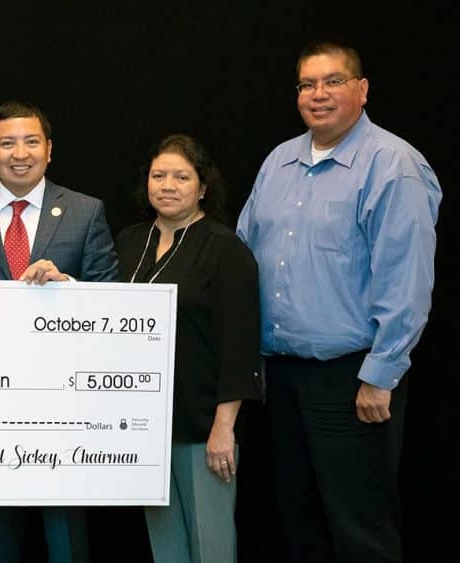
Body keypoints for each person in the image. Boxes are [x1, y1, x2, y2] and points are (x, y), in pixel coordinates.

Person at [236, 39, 441, 563]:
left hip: (352, 379)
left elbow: (407, 278)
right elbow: (241, 254)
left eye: (333, 82)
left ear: (362, 89)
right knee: (297, 519)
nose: (318, 95)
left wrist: (381, 373)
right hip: (280, 377)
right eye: (307, 84)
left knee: (359, 529)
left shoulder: (392, 165)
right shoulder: (279, 161)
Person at [0, 100, 118, 563]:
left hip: (65, 404)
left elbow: (113, 303)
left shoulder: (85, 211)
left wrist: (68, 286)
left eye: (32, 141)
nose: (21, 153)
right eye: (8, 142)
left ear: (49, 150)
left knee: (65, 536)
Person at [115, 134, 263, 562]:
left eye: (182, 176)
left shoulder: (226, 249)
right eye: (159, 175)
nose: (168, 185)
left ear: (202, 187)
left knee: (210, 544)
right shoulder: (128, 242)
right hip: (145, 428)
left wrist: (224, 427)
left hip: (204, 427)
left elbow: (240, 344)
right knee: (166, 548)